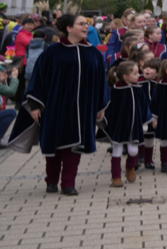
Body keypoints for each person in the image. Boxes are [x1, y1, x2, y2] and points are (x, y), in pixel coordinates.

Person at [6, 14, 107, 195]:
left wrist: (101, 106)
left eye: (87, 24)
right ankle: (51, 180)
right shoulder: (52, 53)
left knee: (75, 146)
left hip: (82, 109)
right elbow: (39, 78)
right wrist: (35, 105)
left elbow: (102, 81)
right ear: (69, 28)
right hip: (55, 106)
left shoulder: (94, 54)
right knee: (54, 145)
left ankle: (68, 183)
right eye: (81, 24)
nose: (86, 27)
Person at [104, 60, 152, 187]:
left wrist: (146, 121)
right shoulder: (114, 90)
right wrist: (107, 123)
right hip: (119, 126)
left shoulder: (139, 89)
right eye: (135, 73)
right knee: (117, 150)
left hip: (135, 126)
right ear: (125, 76)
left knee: (133, 151)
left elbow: (144, 106)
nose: (138, 75)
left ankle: (130, 168)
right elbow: (109, 109)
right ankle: (116, 177)